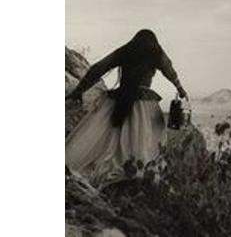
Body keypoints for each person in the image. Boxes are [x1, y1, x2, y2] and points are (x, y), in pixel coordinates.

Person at [65, 29, 188, 184]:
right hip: (145, 106)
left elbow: (99, 68)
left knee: (109, 143)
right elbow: (169, 70)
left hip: (119, 100)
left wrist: (78, 91)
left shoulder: (126, 51)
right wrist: (180, 89)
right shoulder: (155, 52)